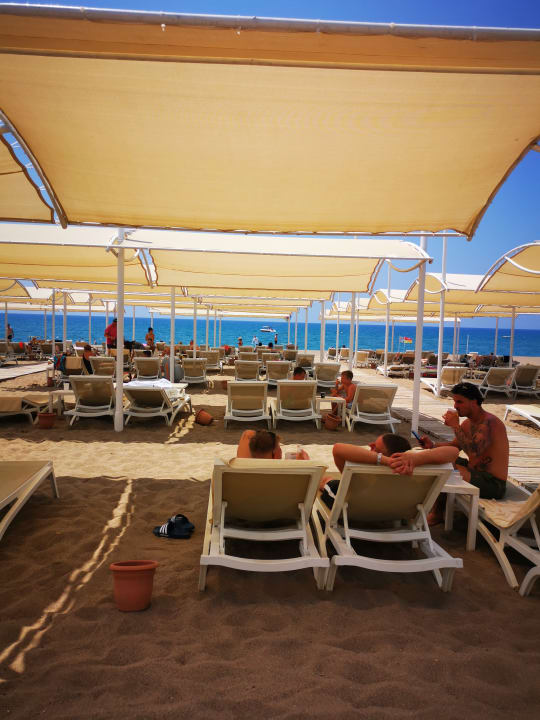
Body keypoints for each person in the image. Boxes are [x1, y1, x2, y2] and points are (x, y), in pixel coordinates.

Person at [420, 382, 509, 523]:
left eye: (460, 402)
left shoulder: (490, 423)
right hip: (474, 472)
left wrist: (456, 426)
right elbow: (454, 446)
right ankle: (433, 509)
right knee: (440, 458)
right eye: (455, 401)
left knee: (445, 469)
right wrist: (433, 446)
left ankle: (437, 513)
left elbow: (474, 452)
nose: (455, 406)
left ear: (474, 402)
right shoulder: (468, 423)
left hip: (493, 484)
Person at [321, 434, 459, 504]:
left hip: (355, 507)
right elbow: (453, 451)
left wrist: (383, 460)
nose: (370, 445)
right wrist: (415, 459)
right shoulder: (409, 469)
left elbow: (338, 448)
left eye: (375, 447)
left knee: (326, 481)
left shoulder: (365, 470)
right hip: (395, 508)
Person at [236, 429, 309, 460]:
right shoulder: (278, 472)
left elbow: (248, 433)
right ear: (274, 453)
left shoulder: (239, 465)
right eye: (278, 447)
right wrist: (302, 462)